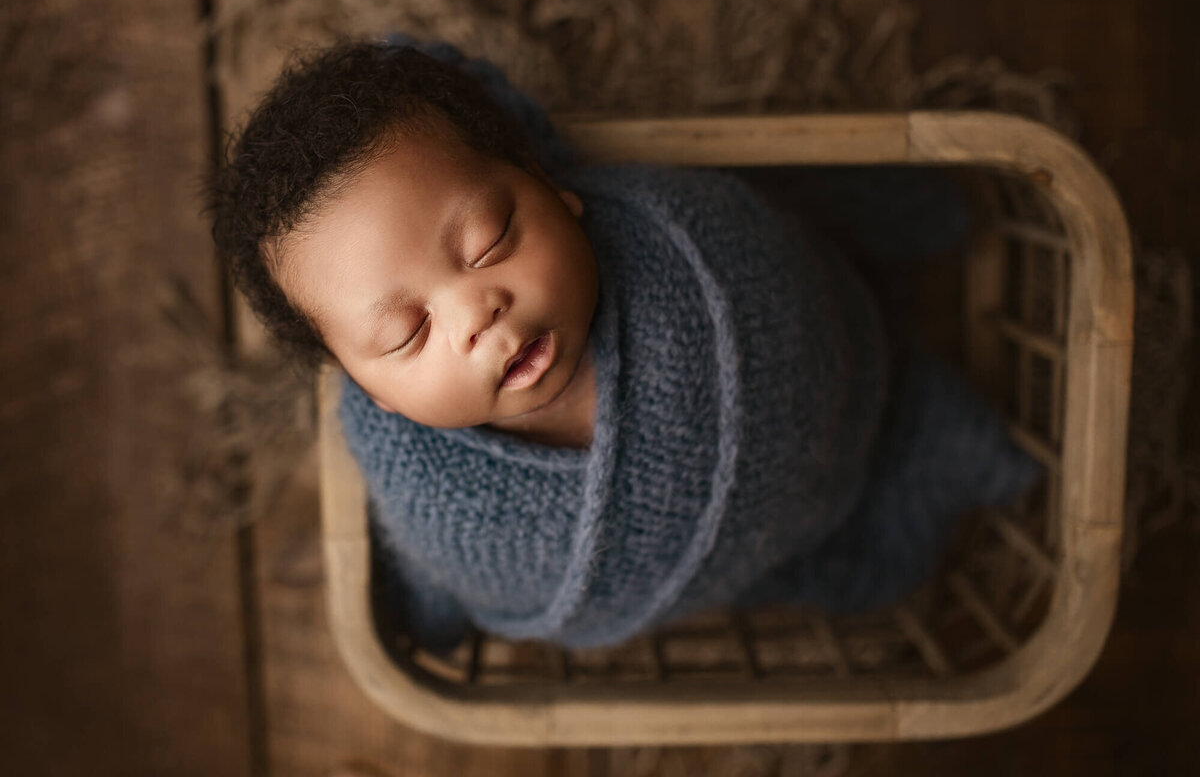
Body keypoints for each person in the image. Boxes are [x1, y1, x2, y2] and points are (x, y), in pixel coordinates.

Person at [210, 38, 1037, 652]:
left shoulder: (683, 237)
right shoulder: (427, 493)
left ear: (552, 186)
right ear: (372, 392)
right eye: (409, 333)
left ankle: (906, 408)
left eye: (491, 238)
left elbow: (784, 288)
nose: (478, 313)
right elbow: (449, 572)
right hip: (772, 541)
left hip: (838, 388)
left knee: (846, 287)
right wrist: (432, 601)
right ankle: (914, 442)